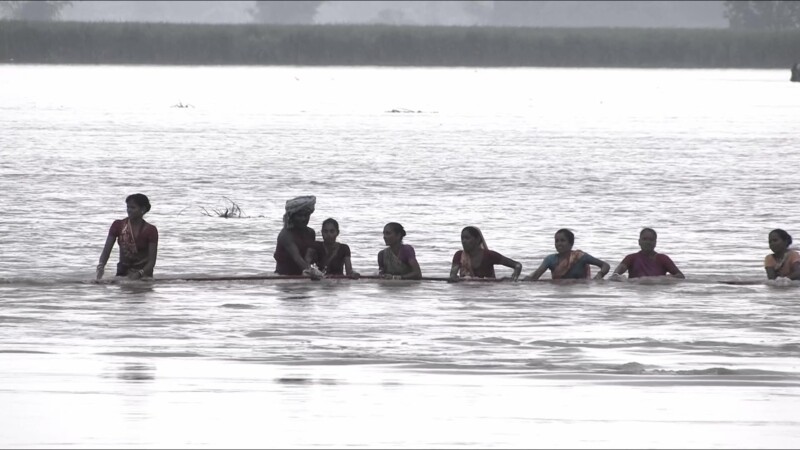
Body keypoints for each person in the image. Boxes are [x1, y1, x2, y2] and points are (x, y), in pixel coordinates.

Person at [96, 193, 158, 280]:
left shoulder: (150, 230)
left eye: (133, 207)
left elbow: (152, 261)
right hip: (122, 273)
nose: (129, 210)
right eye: (128, 207)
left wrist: (139, 274)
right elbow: (106, 250)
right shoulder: (118, 225)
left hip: (143, 276)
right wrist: (101, 267)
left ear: (143, 209)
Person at [524, 228, 609, 281]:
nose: (559, 244)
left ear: (571, 243)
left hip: (579, 291)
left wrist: (599, 275)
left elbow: (605, 265)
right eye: (556, 241)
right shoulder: (550, 259)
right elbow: (535, 276)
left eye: (562, 240)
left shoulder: (580, 257)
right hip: (557, 291)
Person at [274, 196, 323, 278]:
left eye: (306, 215)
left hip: (302, 277)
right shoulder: (285, 234)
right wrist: (317, 274)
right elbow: (297, 259)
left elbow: (310, 258)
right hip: (283, 278)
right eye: (300, 216)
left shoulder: (311, 233)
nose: (303, 219)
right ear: (292, 217)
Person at [449, 226, 522, 281]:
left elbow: (517, 265)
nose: (463, 241)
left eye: (467, 238)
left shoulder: (489, 255)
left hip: (487, 293)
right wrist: (453, 278)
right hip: (466, 293)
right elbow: (452, 275)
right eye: (462, 238)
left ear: (477, 240)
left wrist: (514, 278)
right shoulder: (459, 255)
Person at [610, 228, 685, 280]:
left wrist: (662, 279)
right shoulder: (631, 258)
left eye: (651, 240)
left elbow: (680, 276)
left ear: (655, 243)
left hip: (657, 292)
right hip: (634, 292)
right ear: (639, 241)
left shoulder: (663, 258)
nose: (647, 242)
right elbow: (615, 275)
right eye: (644, 239)